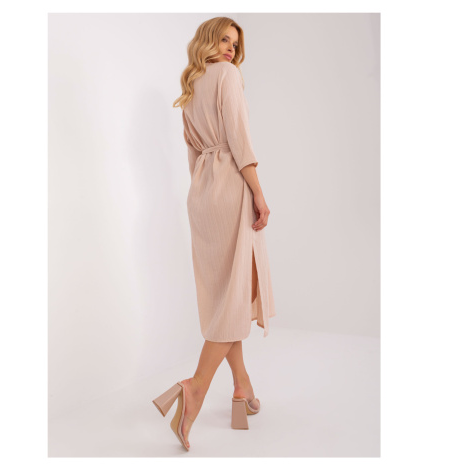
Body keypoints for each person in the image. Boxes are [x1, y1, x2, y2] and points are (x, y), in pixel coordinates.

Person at [152, 17, 276, 451]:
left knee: (227, 296)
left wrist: (203, 191)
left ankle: (242, 387)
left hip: (202, 194)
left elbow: (192, 152)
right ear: (208, 39)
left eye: (234, 44)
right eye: (224, 39)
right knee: (235, 293)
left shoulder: (190, 85)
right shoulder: (227, 75)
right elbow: (239, 139)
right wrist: (257, 192)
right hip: (231, 189)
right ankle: (196, 387)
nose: (229, 49)